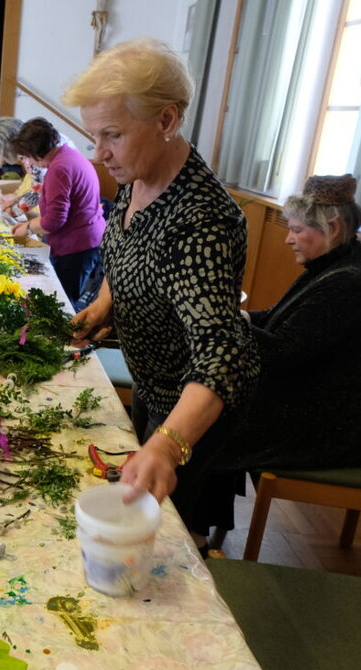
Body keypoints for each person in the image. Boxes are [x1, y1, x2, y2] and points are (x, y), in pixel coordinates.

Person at [65, 39, 260, 550]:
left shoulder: (203, 220)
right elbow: (123, 248)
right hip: (153, 382)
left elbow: (221, 353)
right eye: (93, 135)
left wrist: (169, 445)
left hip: (193, 412)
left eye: (112, 134)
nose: (99, 153)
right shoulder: (136, 178)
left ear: (167, 120)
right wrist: (106, 302)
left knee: (168, 539)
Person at [198, 175, 361, 530]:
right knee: (212, 404)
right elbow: (274, 320)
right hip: (315, 400)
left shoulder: (351, 282)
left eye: (298, 230)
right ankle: (203, 520)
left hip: (335, 423)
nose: (288, 238)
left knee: (210, 418)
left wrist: (222, 319)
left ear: (331, 227)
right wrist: (229, 315)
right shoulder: (334, 266)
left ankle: (196, 528)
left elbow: (284, 351)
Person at [9, 118, 106, 309]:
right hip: (86, 238)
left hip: (78, 243)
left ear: (36, 152)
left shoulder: (59, 168)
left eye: (27, 156)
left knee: (65, 303)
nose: (27, 162)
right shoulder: (67, 155)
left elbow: (54, 220)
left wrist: (26, 228)